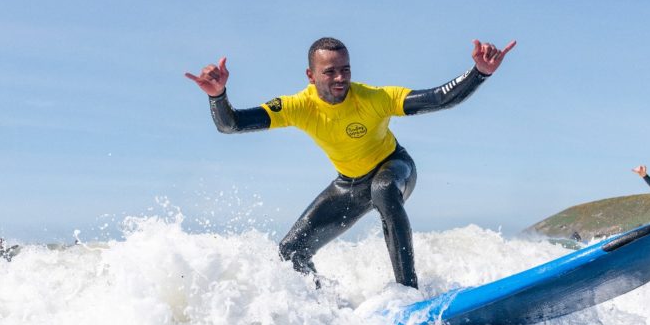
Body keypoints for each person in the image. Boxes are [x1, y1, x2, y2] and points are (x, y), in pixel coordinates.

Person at [185, 37, 516, 288]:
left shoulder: (373, 98)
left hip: (394, 167)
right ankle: (325, 307)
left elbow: (438, 98)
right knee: (290, 253)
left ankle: (408, 293)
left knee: (384, 189)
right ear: (311, 76)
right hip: (350, 185)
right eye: (330, 72)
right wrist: (217, 95)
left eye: (345, 70)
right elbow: (230, 124)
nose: (340, 78)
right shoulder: (297, 106)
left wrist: (479, 74)